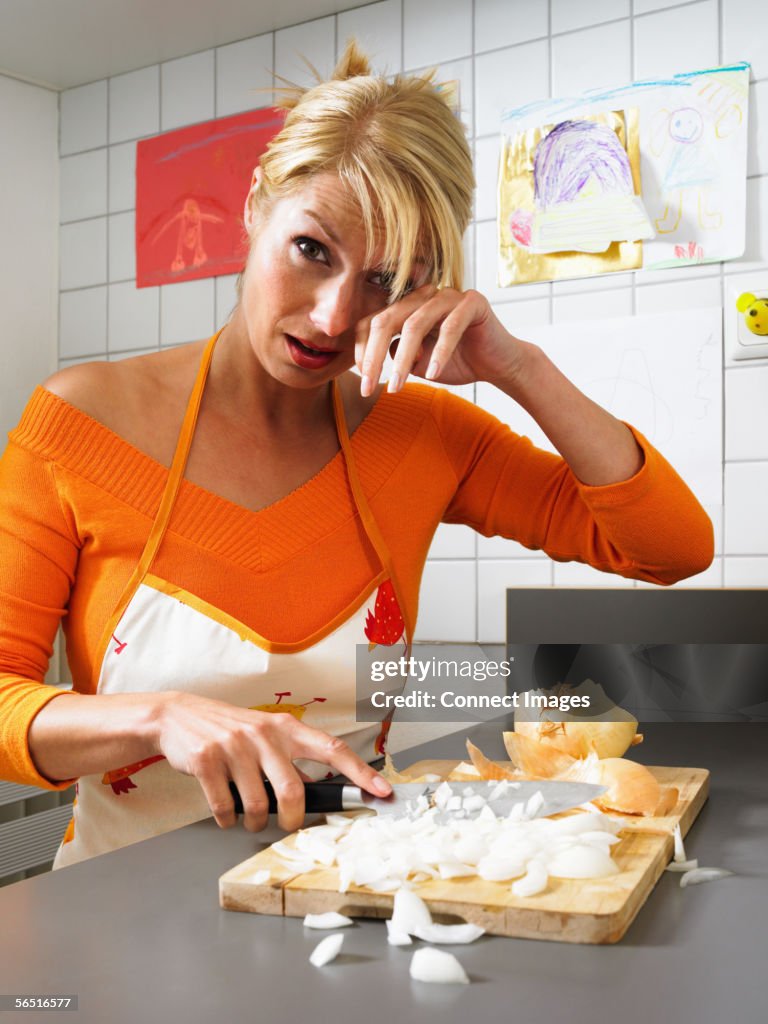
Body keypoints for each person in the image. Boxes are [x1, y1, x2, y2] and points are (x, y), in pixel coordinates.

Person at [0, 41, 714, 869]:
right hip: (113, 913)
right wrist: (163, 717)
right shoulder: (82, 422)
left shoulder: (425, 437)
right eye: (312, 250)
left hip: (351, 899)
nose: (335, 318)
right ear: (255, 211)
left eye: (385, 280)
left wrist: (519, 367)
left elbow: (670, 550)